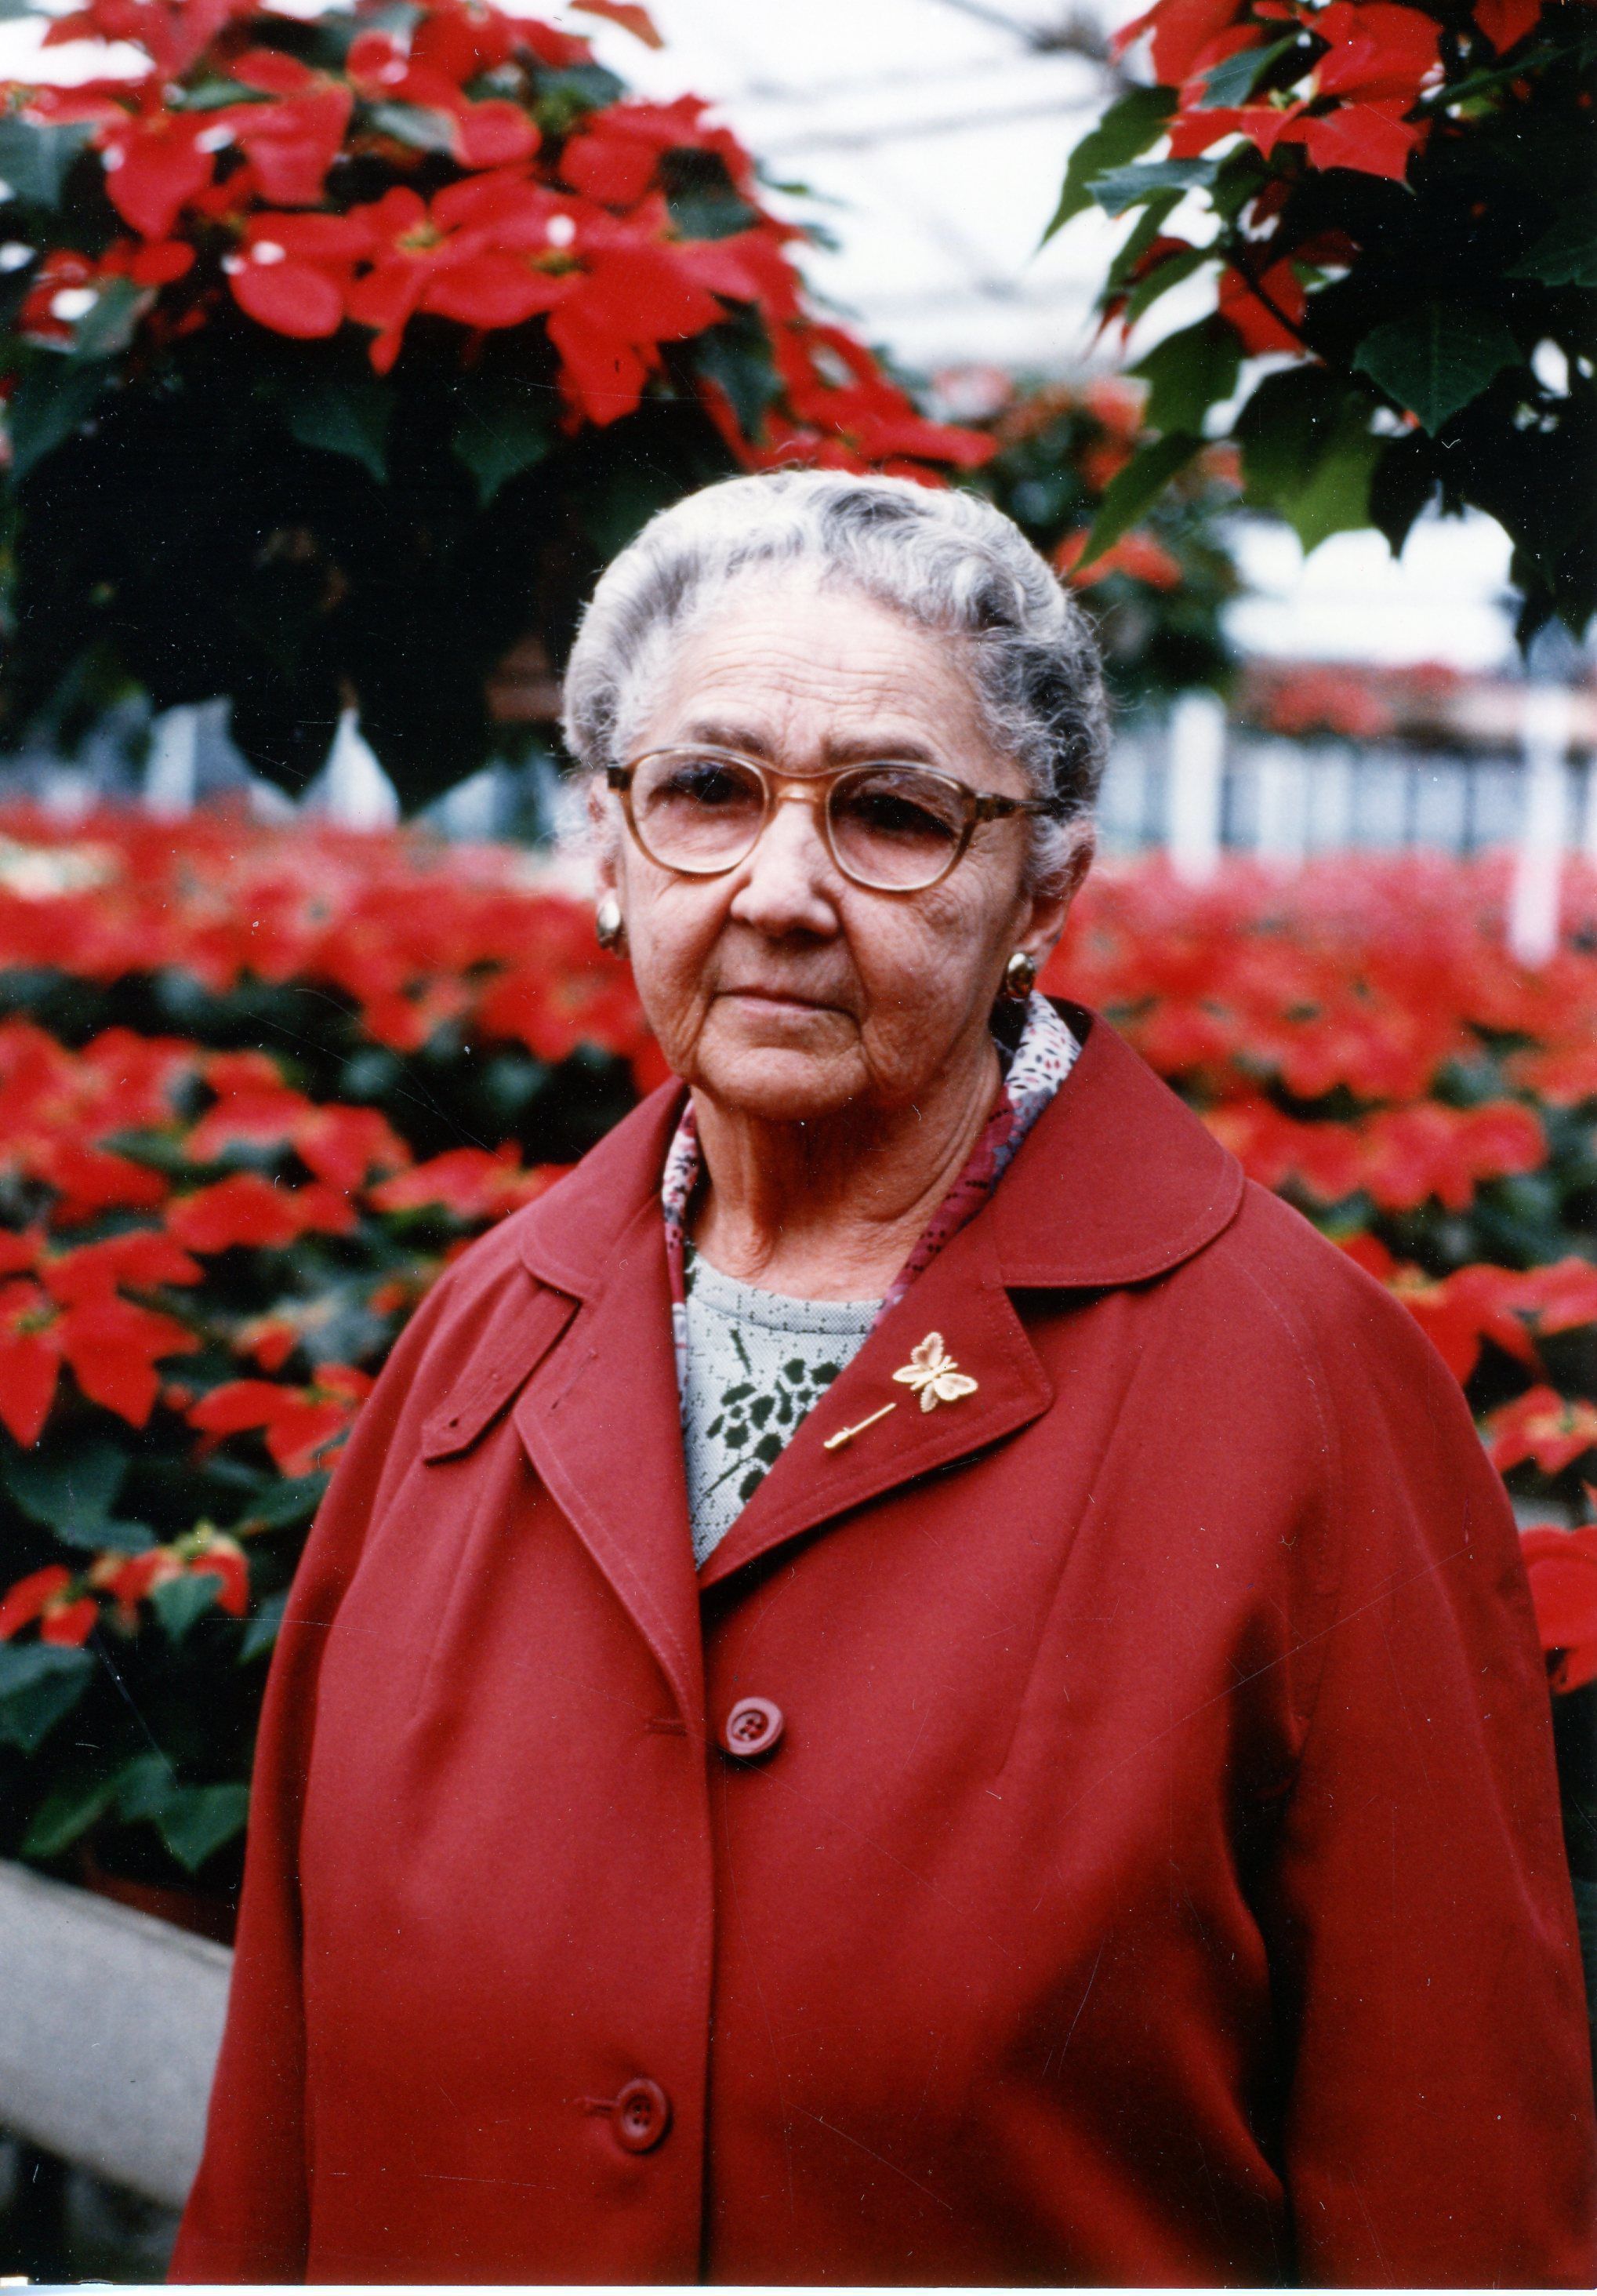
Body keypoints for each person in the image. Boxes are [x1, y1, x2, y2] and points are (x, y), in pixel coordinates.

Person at [171, 470, 1596, 2287]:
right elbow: (273, 2146)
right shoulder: (482, 1333)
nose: (778, 892)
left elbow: (1457, 2202)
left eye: (892, 815)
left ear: (1042, 886)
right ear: (606, 844)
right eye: (705, 791)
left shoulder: (1303, 1382)